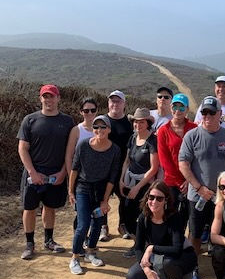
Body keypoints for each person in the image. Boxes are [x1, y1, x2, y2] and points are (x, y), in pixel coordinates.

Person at [179, 96, 225, 279]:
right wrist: (199, 188)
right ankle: (193, 267)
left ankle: (223, 270)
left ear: (220, 115)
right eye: (204, 112)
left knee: (222, 234)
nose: (207, 116)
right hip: (197, 196)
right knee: (195, 234)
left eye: (211, 112)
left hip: (223, 197)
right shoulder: (192, 136)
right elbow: (183, 164)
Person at [17, 84, 75, 260]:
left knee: (50, 207)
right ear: (41, 98)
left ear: (58, 98)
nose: (49, 100)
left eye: (52, 96)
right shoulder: (30, 120)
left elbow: (70, 151)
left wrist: (63, 172)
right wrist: (32, 172)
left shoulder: (67, 122)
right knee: (29, 208)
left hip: (56, 173)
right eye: (45, 96)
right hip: (33, 173)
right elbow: (22, 148)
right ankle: (29, 244)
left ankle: (49, 241)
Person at [126, 181, 198, 279]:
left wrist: (151, 248)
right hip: (159, 258)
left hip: (182, 257)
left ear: (166, 201)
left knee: (168, 262)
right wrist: (146, 269)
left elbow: (176, 250)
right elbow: (138, 247)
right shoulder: (144, 218)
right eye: (151, 197)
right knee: (133, 276)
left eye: (159, 198)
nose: (154, 201)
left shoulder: (174, 217)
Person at [68, 115, 121, 274]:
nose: (99, 130)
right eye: (96, 127)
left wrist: (105, 200)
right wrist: (71, 191)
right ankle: (75, 257)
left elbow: (112, 177)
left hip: (101, 189)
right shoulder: (84, 145)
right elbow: (75, 169)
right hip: (83, 187)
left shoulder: (115, 150)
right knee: (83, 224)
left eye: (103, 127)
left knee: (98, 222)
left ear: (109, 130)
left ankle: (90, 252)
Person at [119, 108, 160, 257]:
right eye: (136, 121)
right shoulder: (132, 138)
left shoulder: (152, 141)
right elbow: (127, 160)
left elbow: (154, 168)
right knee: (128, 216)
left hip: (146, 185)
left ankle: (146, 247)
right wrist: (121, 179)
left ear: (148, 123)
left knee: (145, 217)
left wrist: (138, 187)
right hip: (130, 181)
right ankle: (139, 243)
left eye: (141, 122)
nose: (138, 124)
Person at [156, 93, 197, 230]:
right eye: (175, 106)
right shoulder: (163, 131)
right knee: (172, 217)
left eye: (181, 107)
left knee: (191, 217)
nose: (177, 110)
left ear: (187, 109)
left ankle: (189, 246)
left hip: (192, 181)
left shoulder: (194, 128)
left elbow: (197, 157)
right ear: (170, 108)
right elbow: (164, 160)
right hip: (172, 183)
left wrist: (189, 180)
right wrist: (181, 182)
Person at [101, 90, 133, 242]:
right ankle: (103, 226)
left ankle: (123, 224)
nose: (115, 104)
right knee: (103, 197)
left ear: (124, 104)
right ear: (108, 103)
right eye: (112, 101)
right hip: (104, 168)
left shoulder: (129, 124)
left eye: (118, 101)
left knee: (124, 198)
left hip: (123, 168)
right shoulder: (101, 121)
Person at [64, 97, 98, 232]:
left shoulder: (101, 129)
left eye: (92, 110)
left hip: (98, 178)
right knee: (81, 211)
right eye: (86, 110)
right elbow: (69, 155)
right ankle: (80, 239)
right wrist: (70, 177)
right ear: (81, 112)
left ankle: (90, 240)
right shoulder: (76, 130)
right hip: (80, 178)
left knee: (94, 211)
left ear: (97, 111)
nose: (89, 113)